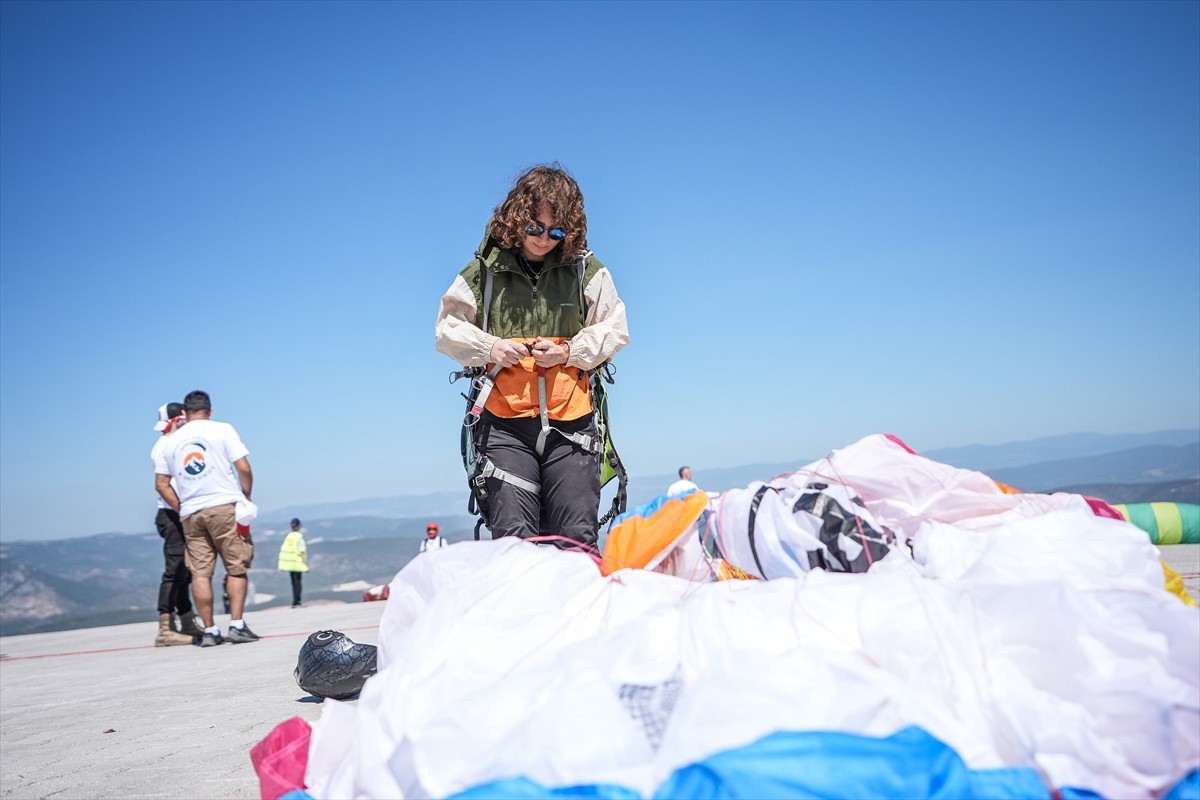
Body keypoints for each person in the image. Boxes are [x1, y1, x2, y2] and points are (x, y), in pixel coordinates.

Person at [435, 164, 629, 548]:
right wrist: (491, 347)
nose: (544, 239)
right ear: (516, 219)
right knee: (514, 544)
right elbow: (447, 330)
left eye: (556, 231)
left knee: (576, 540)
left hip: (573, 425)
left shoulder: (586, 271)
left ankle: (579, 608)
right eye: (534, 228)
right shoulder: (483, 273)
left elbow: (615, 329)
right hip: (504, 427)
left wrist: (568, 351)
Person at [154, 389, 259, 647]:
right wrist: (245, 495)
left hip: (191, 512)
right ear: (209, 411)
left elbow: (161, 484)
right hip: (224, 505)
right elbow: (243, 467)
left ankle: (210, 631)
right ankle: (236, 625)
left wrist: (181, 507)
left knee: (200, 573)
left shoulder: (169, 442)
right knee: (236, 566)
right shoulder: (222, 430)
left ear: (186, 414)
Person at [149, 402, 204, 646]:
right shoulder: (165, 445)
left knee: (184, 571)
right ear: (177, 419)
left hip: (177, 513)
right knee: (174, 571)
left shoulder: (173, 443)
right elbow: (163, 484)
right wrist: (184, 510)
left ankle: (186, 620)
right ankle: (165, 627)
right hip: (172, 515)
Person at [278, 518, 308, 607]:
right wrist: (306, 564)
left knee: (293, 583)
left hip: (289, 563)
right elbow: (302, 552)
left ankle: (294, 601)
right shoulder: (299, 537)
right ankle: (298, 601)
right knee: (298, 583)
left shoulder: (289, 537)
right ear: (299, 526)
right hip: (297, 563)